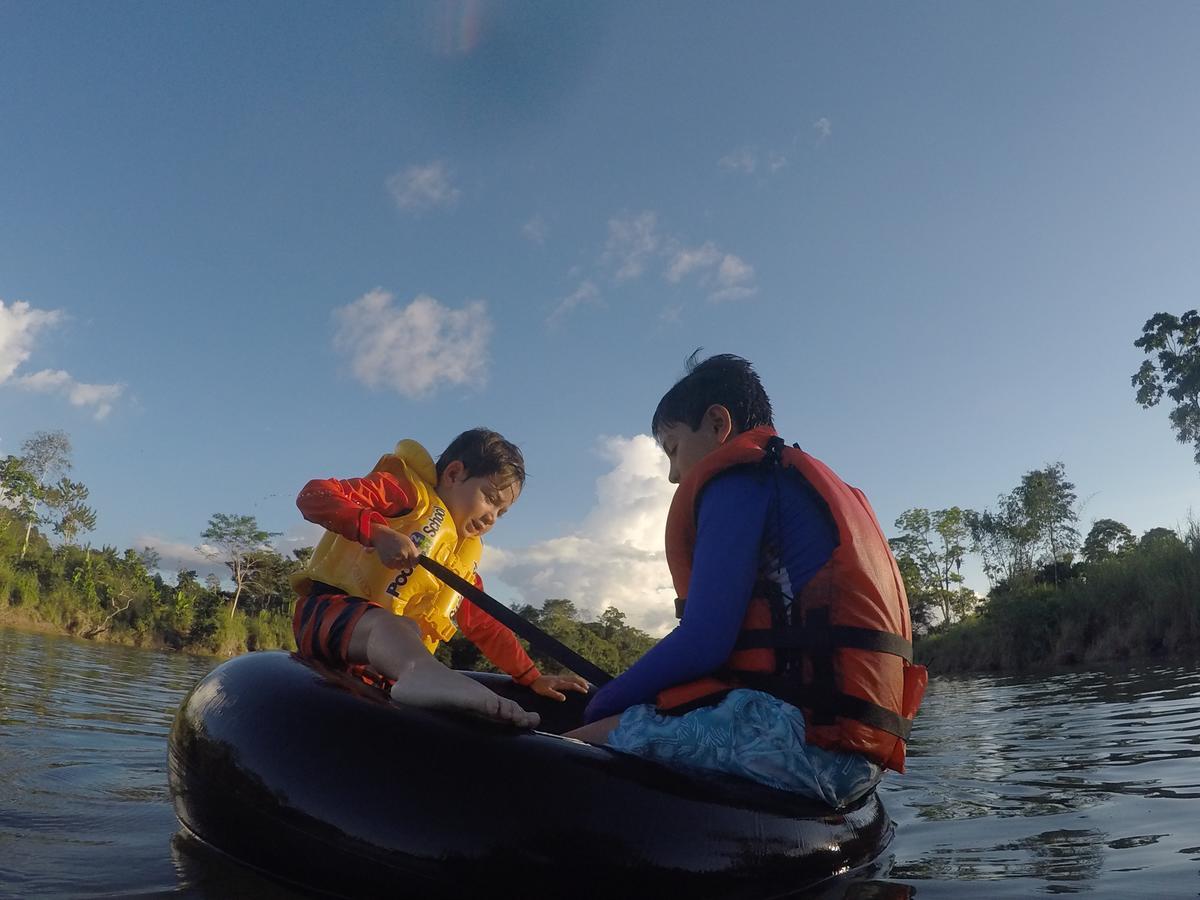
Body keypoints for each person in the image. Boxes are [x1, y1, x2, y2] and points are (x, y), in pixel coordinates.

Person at [567, 354, 927, 806]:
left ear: (718, 423)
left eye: (674, 448)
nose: (675, 473)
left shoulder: (738, 479)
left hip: (809, 750)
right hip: (857, 760)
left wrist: (601, 704)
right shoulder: (787, 479)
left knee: (574, 741)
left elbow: (704, 642)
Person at [290, 427, 588, 728]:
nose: (491, 518)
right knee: (394, 625)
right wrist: (378, 532)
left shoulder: (461, 566)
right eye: (489, 498)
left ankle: (416, 675)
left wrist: (532, 677)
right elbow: (314, 495)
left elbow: (487, 627)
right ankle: (418, 672)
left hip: (381, 674)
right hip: (327, 618)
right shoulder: (404, 494)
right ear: (454, 474)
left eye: (501, 513)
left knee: (403, 632)